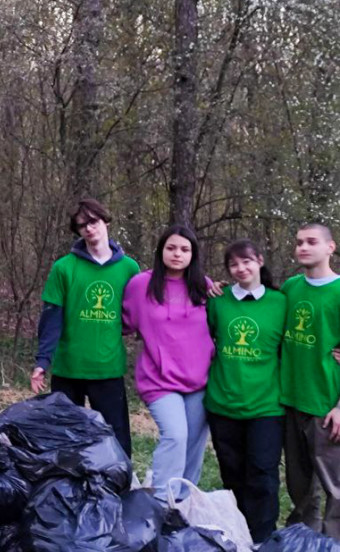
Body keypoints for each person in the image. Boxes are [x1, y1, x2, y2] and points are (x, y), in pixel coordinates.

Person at [30, 198, 140, 455]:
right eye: (82, 225)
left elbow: (138, 312)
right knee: (65, 441)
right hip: (69, 368)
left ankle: (118, 489)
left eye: (93, 222)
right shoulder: (64, 268)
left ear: (106, 222)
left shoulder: (129, 269)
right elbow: (52, 317)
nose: (89, 229)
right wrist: (42, 361)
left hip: (107, 368)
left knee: (116, 441)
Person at [122, 225, 214, 498]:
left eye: (185, 249)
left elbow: (227, 322)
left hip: (200, 380)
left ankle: (183, 501)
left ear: (193, 254)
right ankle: (161, 502)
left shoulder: (204, 286)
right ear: (161, 250)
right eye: (171, 248)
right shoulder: (141, 285)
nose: (177, 254)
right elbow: (120, 325)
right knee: (175, 436)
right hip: (159, 380)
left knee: (195, 444)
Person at [204, 239, 286, 541]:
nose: (241, 268)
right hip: (223, 404)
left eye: (246, 261)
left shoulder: (281, 301)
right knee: (232, 475)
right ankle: (237, 536)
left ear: (260, 261)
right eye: (234, 264)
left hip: (266, 406)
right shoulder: (218, 300)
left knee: (263, 476)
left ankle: (263, 538)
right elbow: (203, 337)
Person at [281, 223, 340, 537]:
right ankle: (304, 539)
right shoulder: (290, 287)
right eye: (299, 241)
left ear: (330, 247)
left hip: (326, 403)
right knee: (299, 484)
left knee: (335, 485)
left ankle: (332, 542)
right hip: (290, 399)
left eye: (311, 242)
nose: (303, 247)